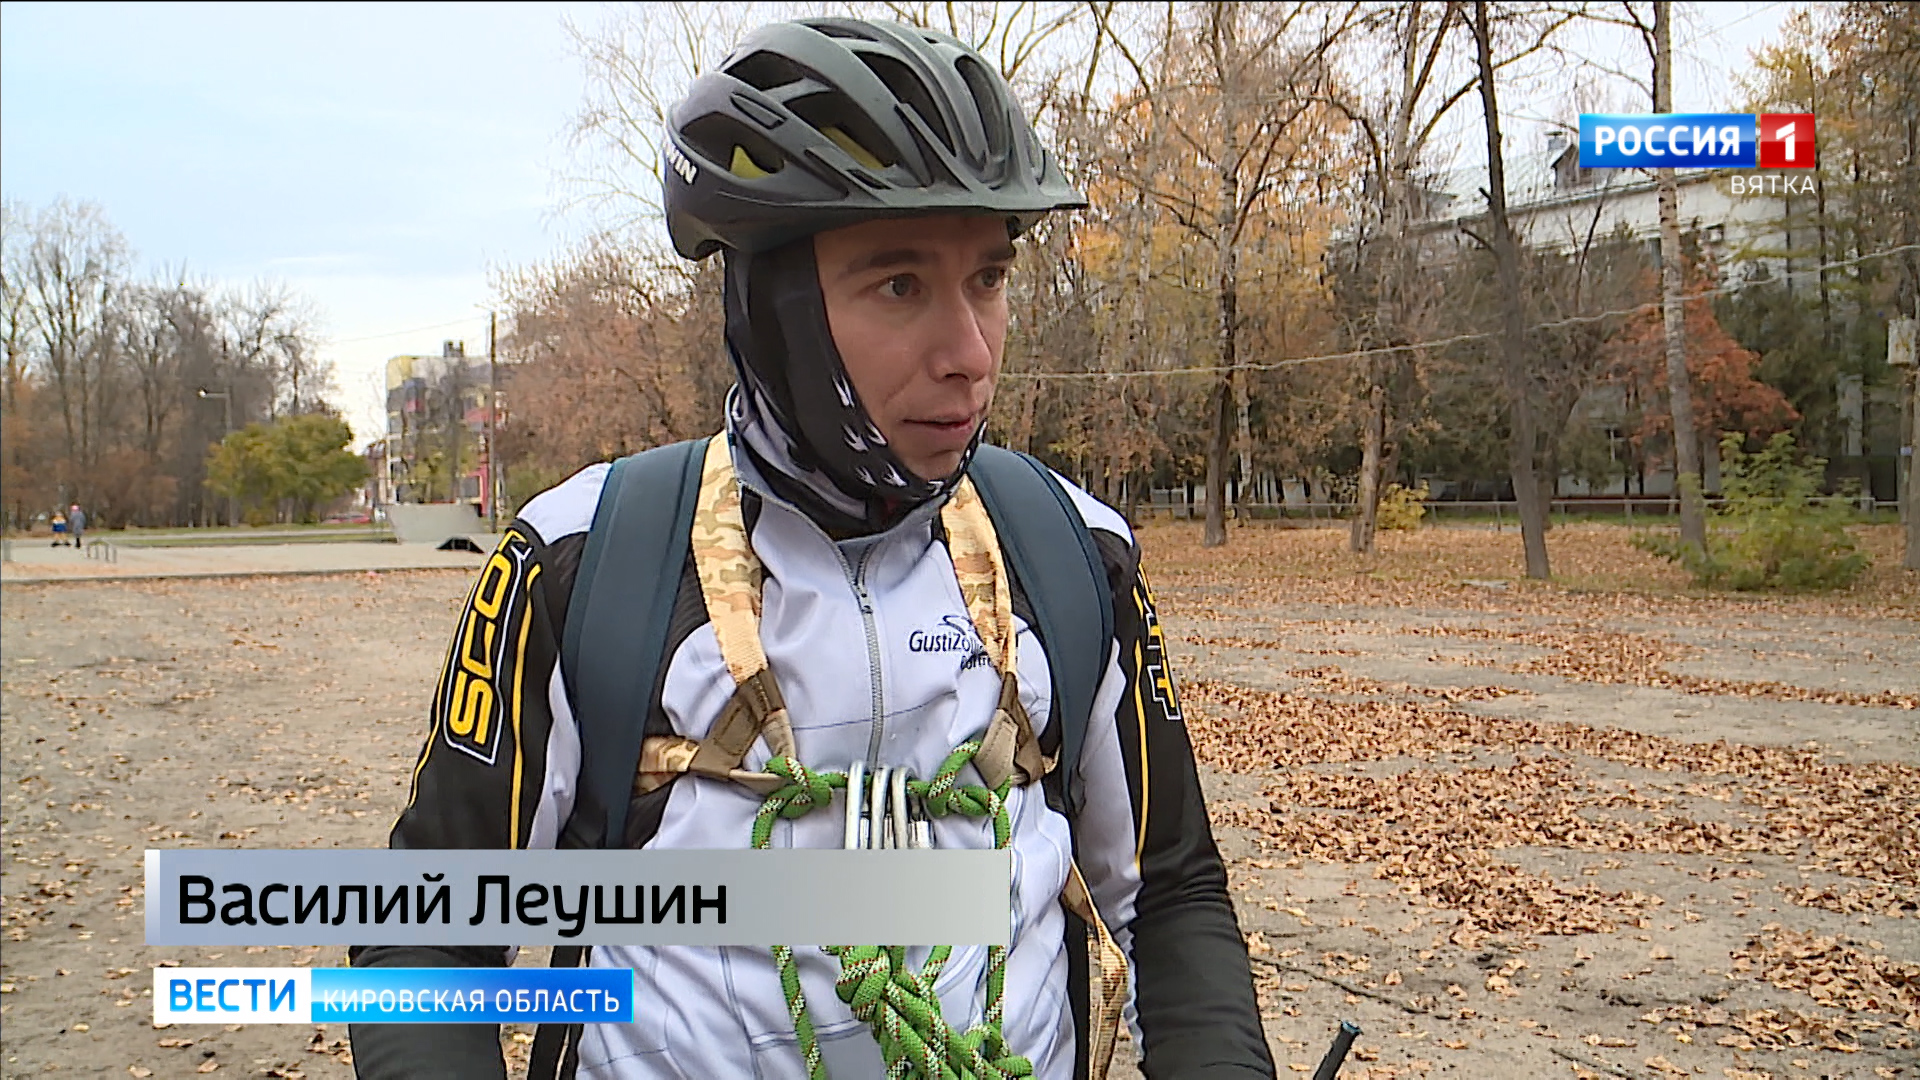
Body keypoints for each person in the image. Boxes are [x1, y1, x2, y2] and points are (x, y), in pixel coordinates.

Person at [350, 17, 1272, 1080]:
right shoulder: (580, 559)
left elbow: (1171, 893)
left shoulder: (1073, 551)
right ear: (776, 307)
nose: (969, 354)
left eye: (988, 279)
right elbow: (422, 934)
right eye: (900, 286)